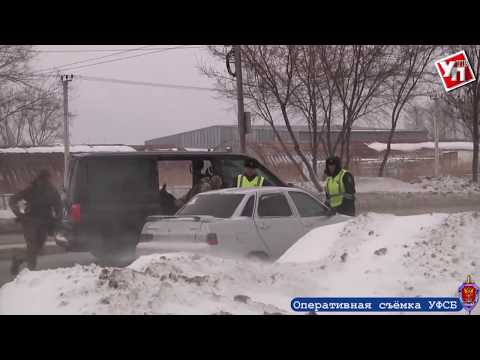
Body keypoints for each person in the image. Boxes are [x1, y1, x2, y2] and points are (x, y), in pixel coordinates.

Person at [8, 169, 62, 276]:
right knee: (32, 249)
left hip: (44, 223)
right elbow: (12, 200)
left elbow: (58, 207)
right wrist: (19, 214)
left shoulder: (52, 191)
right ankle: (30, 275)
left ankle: (18, 258)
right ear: (38, 179)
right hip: (30, 222)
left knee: (38, 250)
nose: (44, 181)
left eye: (46, 179)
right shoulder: (31, 189)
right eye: (42, 179)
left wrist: (56, 222)